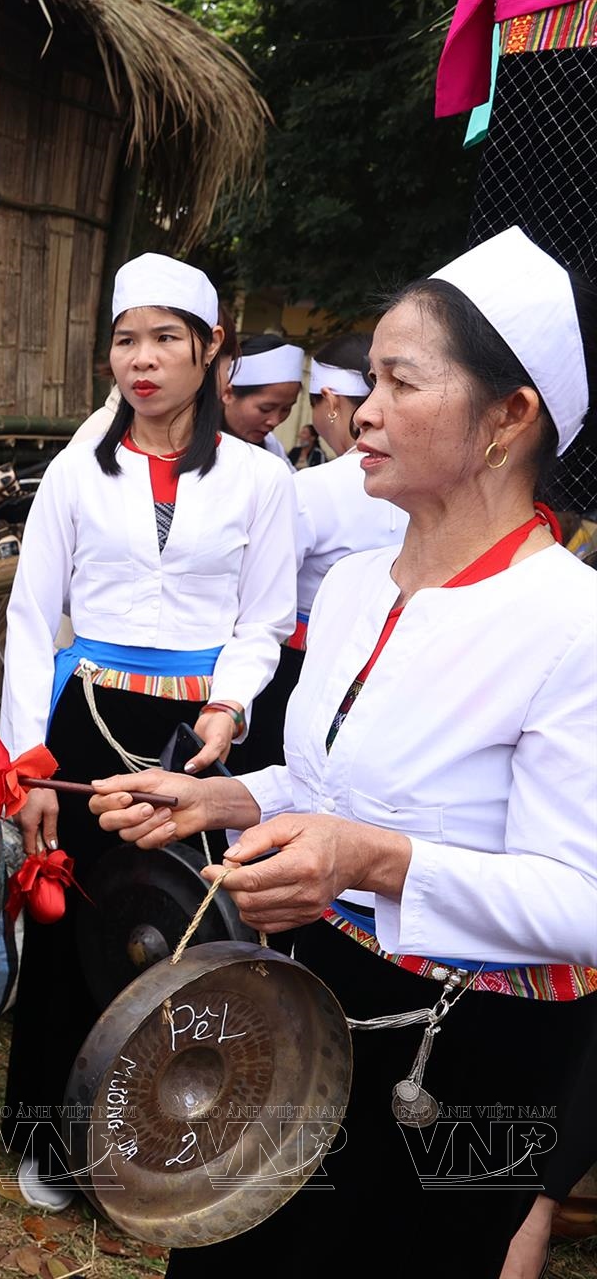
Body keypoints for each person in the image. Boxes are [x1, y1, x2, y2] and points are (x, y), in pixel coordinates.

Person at [89, 226, 597, 1279]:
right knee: (234, 1244)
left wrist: (371, 861)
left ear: (510, 416)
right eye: (369, 379)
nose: (360, 412)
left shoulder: (570, 623)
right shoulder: (363, 583)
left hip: (460, 1049)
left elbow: (582, 901)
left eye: (400, 382)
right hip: (300, 991)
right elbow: (325, 786)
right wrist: (217, 796)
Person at [0, 252, 297, 1207]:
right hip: (88, 726)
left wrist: (231, 699)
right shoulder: (77, 475)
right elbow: (30, 615)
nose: (144, 359)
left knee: (188, 931)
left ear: (212, 353)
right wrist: (29, 764)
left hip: (205, 742)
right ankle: (53, 1139)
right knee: (79, 927)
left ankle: (165, 1144)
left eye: (168, 338)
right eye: (127, 339)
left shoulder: (259, 479)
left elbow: (267, 619)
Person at [290, 333, 407, 648]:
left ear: (329, 400)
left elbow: (265, 587)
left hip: (302, 651)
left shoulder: (311, 486)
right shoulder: (416, 481)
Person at [222, 333, 305, 463]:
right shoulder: (188, 442)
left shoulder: (272, 448)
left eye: (286, 409)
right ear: (228, 394)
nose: (275, 421)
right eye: (265, 409)